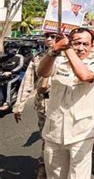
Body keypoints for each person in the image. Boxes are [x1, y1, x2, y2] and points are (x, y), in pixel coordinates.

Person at [37, 27, 94, 178]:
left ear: (91, 46)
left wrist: (67, 49)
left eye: (85, 44)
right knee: (55, 176)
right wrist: (54, 51)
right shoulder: (58, 61)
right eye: (76, 43)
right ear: (70, 43)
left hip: (81, 133)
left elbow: (85, 76)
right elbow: (42, 72)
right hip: (54, 131)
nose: (81, 48)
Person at [12, 32, 56, 179]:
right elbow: (28, 82)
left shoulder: (70, 58)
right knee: (46, 138)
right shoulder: (38, 58)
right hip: (44, 104)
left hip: (64, 106)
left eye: (54, 36)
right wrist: (19, 105)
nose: (49, 39)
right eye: (47, 36)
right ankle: (44, 168)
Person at [0, 42, 24, 110]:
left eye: (10, 48)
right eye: (7, 48)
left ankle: (7, 103)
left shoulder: (19, 56)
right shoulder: (4, 57)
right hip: (3, 75)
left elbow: (20, 66)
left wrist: (11, 72)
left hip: (15, 75)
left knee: (8, 83)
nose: (8, 49)